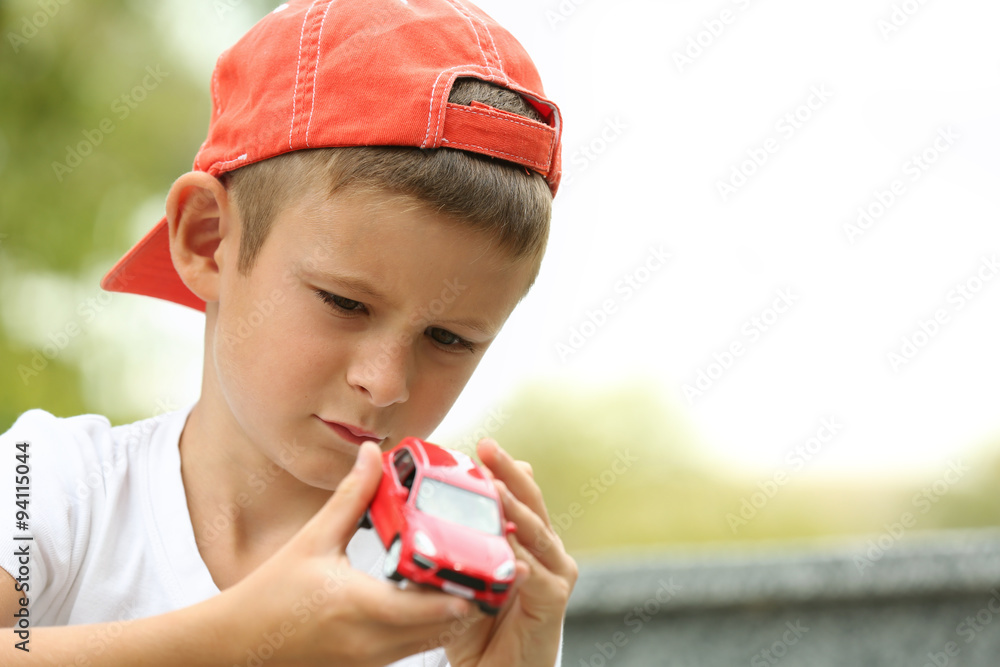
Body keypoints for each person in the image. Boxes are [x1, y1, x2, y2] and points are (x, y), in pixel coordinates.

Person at [0, 0, 577, 664]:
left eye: (449, 339)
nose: (384, 381)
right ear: (209, 239)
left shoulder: (449, 612)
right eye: (344, 302)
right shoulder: (54, 485)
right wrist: (240, 639)